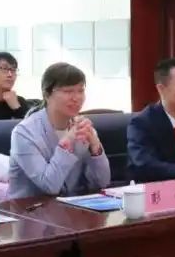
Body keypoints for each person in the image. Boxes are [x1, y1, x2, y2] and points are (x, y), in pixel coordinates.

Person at [7, 62, 111, 198]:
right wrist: (66, 145)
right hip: (30, 208)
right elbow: (50, 186)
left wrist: (95, 148)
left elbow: (102, 182)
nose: (76, 98)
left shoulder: (82, 127)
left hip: (73, 207)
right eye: (68, 91)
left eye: (80, 91)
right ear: (46, 94)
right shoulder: (24, 133)